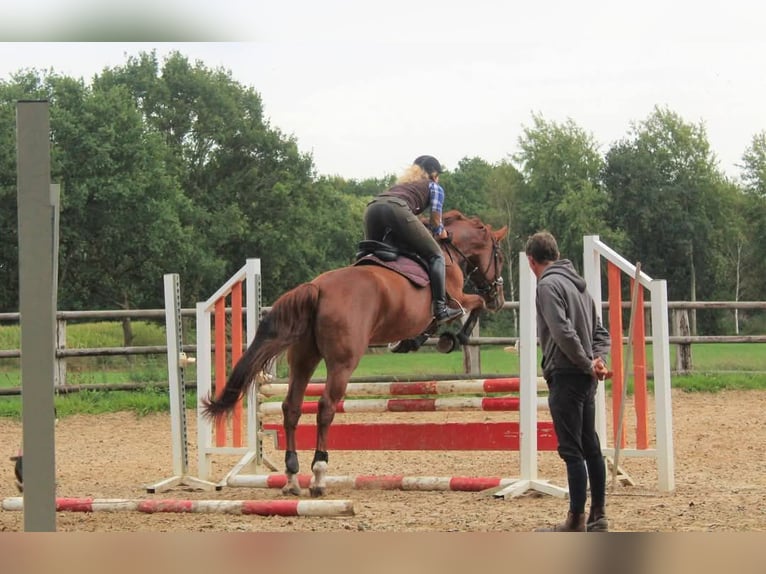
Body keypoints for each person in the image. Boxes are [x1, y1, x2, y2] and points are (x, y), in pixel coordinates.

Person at [525, 231, 611, 532]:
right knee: (590, 445)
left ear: (531, 260)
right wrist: (598, 360)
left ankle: (574, 521)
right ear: (556, 254)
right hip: (586, 378)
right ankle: (598, 515)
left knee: (572, 449)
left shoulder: (547, 285)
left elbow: (561, 332)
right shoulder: (581, 288)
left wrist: (588, 362)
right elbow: (601, 332)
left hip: (566, 373)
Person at [363, 155, 462, 324]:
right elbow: (436, 223)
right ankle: (441, 309)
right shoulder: (434, 187)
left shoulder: (401, 186)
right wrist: (443, 233)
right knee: (436, 255)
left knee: (373, 257)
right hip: (395, 209)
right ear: (434, 174)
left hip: (371, 209)